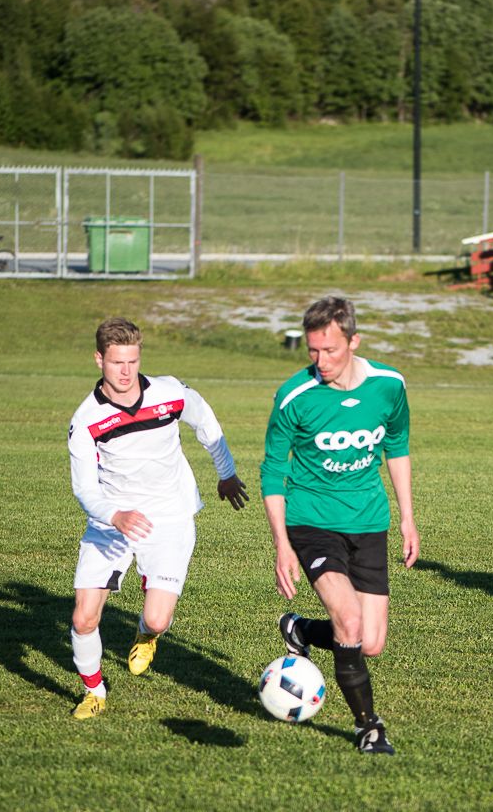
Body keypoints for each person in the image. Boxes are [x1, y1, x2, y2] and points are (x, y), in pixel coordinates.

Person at [261, 296, 420, 756]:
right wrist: (282, 545)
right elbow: (273, 471)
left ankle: (302, 632)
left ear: (353, 341)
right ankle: (369, 727)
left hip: (370, 523)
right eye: (312, 351)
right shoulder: (295, 396)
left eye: (330, 350)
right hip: (311, 523)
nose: (320, 361)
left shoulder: (388, 385)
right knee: (348, 620)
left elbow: (398, 444)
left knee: (369, 643)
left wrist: (408, 517)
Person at [67, 318, 248, 720]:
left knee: (156, 617)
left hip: (170, 515)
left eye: (132, 360)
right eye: (117, 362)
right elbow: (84, 489)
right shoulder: (86, 421)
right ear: (99, 359)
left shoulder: (169, 392)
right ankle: (94, 691)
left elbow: (207, 424)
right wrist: (115, 515)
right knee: (83, 617)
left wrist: (226, 473)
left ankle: (148, 634)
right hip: (110, 521)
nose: (126, 371)